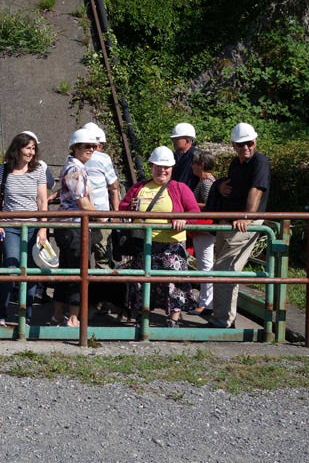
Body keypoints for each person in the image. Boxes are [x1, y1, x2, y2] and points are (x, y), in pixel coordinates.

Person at [118, 146, 201, 327]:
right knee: (143, 281)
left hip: (171, 244)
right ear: (151, 166)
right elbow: (122, 207)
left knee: (173, 282)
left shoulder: (180, 188)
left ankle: (173, 319)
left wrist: (183, 220)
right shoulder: (139, 187)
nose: (162, 170)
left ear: (172, 168)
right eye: (158, 166)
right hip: (145, 244)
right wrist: (130, 208)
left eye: (166, 167)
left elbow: (194, 212)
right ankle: (143, 316)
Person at [206, 122, 271, 329]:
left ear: (255, 141)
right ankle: (223, 317)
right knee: (221, 268)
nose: (246, 147)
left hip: (243, 223)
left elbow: (256, 191)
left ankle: (222, 321)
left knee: (226, 268)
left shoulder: (260, 162)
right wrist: (219, 185)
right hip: (230, 221)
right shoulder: (236, 164)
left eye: (249, 143)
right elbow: (232, 185)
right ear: (234, 145)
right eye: (241, 144)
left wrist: (247, 217)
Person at [0, 131, 49, 326]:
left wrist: (43, 229)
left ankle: (26, 316)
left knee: (30, 272)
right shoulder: (3, 170)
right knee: (10, 268)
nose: (31, 152)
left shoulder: (38, 169)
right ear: (18, 148)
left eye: (33, 148)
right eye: (27, 148)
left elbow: (42, 200)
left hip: (32, 226)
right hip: (11, 225)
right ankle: (0, 315)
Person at [52, 128, 98, 327]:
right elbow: (83, 202)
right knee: (79, 270)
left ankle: (58, 313)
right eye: (85, 146)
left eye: (93, 146)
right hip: (75, 226)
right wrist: (104, 219)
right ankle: (73, 318)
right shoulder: (76, 170)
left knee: (66, 269)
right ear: (75, 148)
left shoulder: (72, 166)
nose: (90, 149)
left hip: (68, 226)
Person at [81, 122, 120, 271]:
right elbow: (114, 186)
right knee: (102, 255)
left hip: (78, 215)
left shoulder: (71, 159)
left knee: (80, 257)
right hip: (100, 212)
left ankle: (82, 291)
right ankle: (101, 291)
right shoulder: (103, 158)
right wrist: (116, 211)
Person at [190, 150, 217, 314]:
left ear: (201, 165)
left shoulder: (206, 183)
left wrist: (192, 205)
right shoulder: (206, 181)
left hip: (204, 230)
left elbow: (210, 206)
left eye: (194, 163)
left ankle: (207, 303)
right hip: (202, 231)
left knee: (205, 264)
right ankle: (205, 301)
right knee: (204, 264)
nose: (192, 166)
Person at [170, 122, 198, 191]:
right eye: (173, 139)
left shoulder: (197, 156)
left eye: (176, 139)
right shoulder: (172, 156)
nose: (174, 141)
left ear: (187, 140)